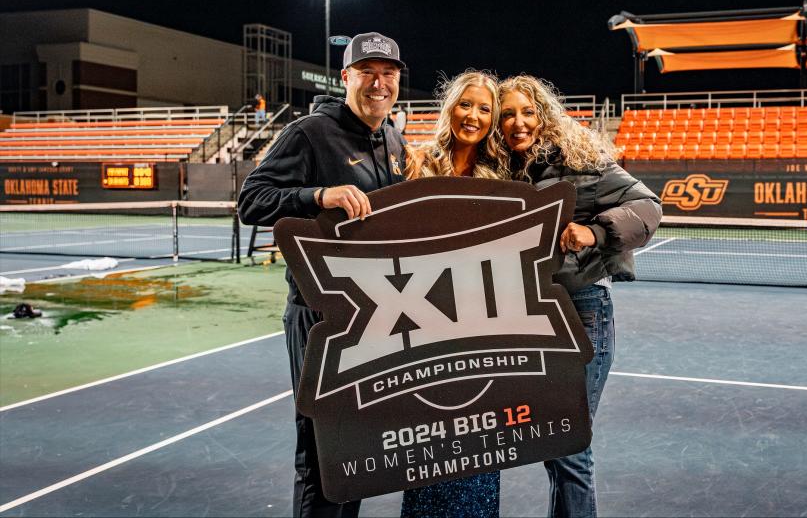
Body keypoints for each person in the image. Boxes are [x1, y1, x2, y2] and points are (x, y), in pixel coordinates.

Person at [238, 32, 407, 518]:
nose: (379, 83)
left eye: (388, 73)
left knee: (358, 453)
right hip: (321, 318)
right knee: (321, 453)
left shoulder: (392, 137)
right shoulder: (309, 132)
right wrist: (317, 196)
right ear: (346, 77)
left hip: (377, 316)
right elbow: (252, 199)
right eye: (367, 72)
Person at [497, 75, 662, 518]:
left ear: (545, 115)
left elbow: (649, 207)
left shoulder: (581, 162)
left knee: (567, 445)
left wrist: (594, 230)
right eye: (508, 113)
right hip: (521, 321)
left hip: (580, 311)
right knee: (553, 444)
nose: (518, 122)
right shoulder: (498, 169)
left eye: (528, 112)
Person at [401, 70, 503, 518]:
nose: (473, 116)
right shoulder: (414, 161)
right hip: (422, 322)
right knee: (427, 440)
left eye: (485, 108)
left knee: (478, 444)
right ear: (450, 108)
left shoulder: (502, 173)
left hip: (482, 323)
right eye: (466, 104)